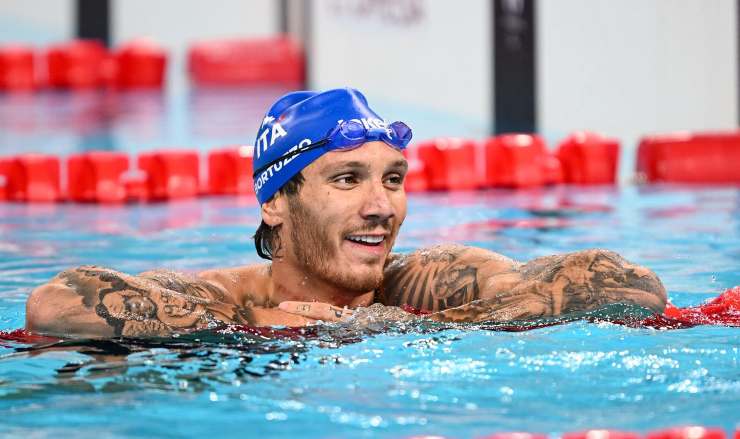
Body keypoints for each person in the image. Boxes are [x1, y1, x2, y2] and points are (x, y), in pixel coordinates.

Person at [25, 88, 667, 338]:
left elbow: (631, 286)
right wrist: (249, 324)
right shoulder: (215, 296)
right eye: (347, 179)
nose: (381, 206)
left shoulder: (425, 285)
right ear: (275, 200)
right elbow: (55, 304)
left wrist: (391, 328)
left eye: (393, 179)